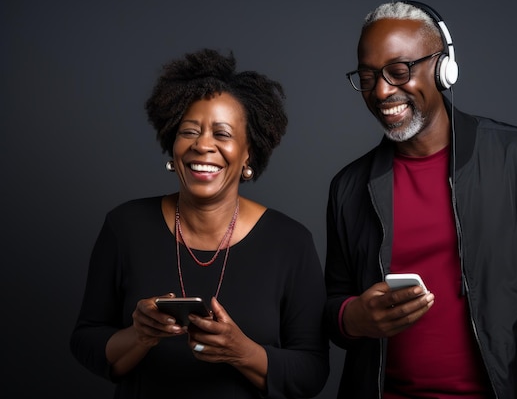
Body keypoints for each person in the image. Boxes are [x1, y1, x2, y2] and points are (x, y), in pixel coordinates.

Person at [324, 0, 517, 399]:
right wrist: (354, 318)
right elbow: (331, 307)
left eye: (398, 71)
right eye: (367, 77)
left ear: (443, 68)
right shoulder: (348, 186)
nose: (381, 91)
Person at [70, 49, 329, 399]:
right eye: (189, 131)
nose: (203, 145)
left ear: (249, 151)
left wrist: (243, 352)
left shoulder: (291, 242)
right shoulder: (124, 227)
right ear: (172, 145)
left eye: (222, 135)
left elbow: (312, 373)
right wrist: (139, 335)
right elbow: (85, 341)